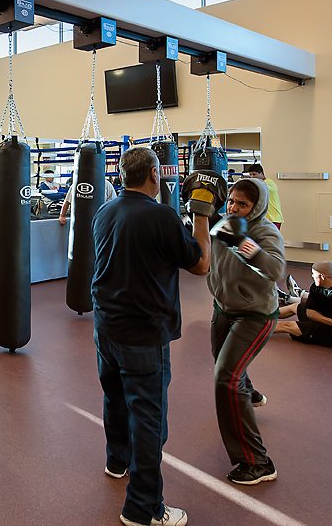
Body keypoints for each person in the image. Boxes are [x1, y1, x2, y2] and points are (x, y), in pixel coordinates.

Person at [92, 147, 213, 526]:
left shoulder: (105, 211)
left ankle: (117, 461)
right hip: (143, 333)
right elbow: (201, 265)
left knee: (115, 397)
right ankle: (143, 509)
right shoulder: (161, 216)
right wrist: (202, 215)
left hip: (106, 327)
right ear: (154, 175)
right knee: (149, 419)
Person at [200, 176, 284, 486]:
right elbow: (203, 250)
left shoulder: (265, 231)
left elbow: (276, 270)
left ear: (257, 207)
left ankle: (257, 462)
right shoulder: (224, 222)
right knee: (224, 363)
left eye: (243, 204)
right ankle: (250, 393)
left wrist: (244, 244)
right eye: (232, 201)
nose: (234, 208)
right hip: (224, 308)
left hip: (255, 315)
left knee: (226, 378)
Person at [242, 164, 283, 230]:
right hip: (263, 218)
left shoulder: (269, 183)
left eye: (254, 174)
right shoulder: (258, 185)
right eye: (250, 175)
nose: (252, 177)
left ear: (261, 173)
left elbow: (263, 187)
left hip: (273, 218)